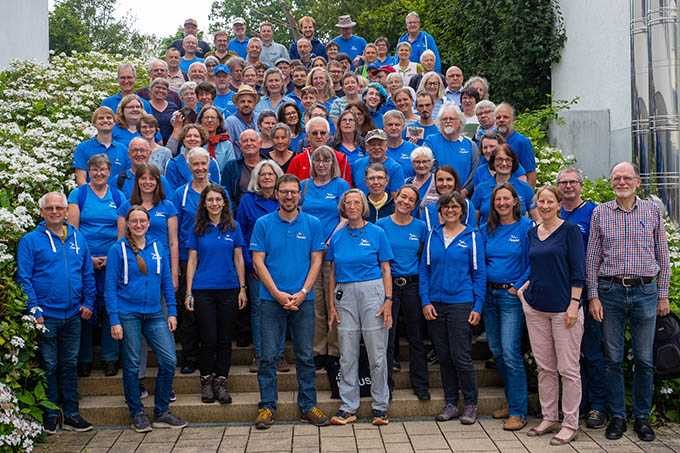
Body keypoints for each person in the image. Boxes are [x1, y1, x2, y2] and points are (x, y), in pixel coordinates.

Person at [586, 162, 671, 442]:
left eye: (627, 178)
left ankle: (642, 417)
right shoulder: (601, 212)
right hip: (610, 292)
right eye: (616, 178)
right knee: (613, 359)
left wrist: (662, 294)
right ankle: (618, 417)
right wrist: (594, 296)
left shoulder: (651, 211)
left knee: (644, 360)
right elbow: (592, 258)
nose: (621, 182)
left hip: (645, 292)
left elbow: (663, 255)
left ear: (637, 182)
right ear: (611, 182)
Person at [250, 174, 330, 429]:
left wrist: (304, 292)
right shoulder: (263, 223)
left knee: (306, 356)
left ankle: (308, 405)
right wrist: (276, 293)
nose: (288, 196)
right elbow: (258, 261)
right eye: (283, 191)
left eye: (293, 192)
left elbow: (317, 260)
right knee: (268, 357)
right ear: (276, 194)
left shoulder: (313, 223)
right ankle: (267, 407)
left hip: (303, 300)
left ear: (300, 195)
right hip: (270, 300)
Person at [17, 192, 96, 434]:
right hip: (46, 316)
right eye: (49, 208)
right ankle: (51, 413)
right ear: (41, 212)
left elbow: (87, 273)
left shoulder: (78, 238)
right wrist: (34, 308)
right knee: (49, 364)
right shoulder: (30, 241)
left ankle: (71, 414)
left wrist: (89, 301)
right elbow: (24, 277)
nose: (54, 212)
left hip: (73, 314)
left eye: (59, 208)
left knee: (70, 364)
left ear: (66, 211)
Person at [106, 205, 187, 432]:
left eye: (143, 221)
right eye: (134, 221)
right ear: (128, 224)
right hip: (127, 313)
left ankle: (161, 412)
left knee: (169, 360)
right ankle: (137, 412)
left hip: (154, 313)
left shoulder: (157, 247)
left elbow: (166, 283)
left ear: (149, 223)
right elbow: (110, 287)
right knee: (132, 365)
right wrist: (114, 319)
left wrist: (171, 311)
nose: (139, 225)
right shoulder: (118, 249)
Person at [517, 185, 586, 445]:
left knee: (568, 369)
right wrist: (524, 291)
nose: (544, 206)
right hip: (536, 308)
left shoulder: (570, 231)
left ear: (559, 204)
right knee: (545, 368)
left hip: (564, 310)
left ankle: (570, 423)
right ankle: (549, 417)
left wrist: (574, 303)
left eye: (549, 202)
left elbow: (578, 270)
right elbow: (531, 266)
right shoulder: (533, 232)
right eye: (540, 202)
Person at [327, 188, 394, 426]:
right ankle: (348, 407)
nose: (352, 206)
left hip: (373, 291)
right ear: (343, 207)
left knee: (377, 354)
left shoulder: (377, 232)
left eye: (357, 202)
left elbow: (386, 269)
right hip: (345, 294)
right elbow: (332, 271)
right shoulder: (337, 236)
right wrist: (332, 305)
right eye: (348, 203)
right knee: (347, 354)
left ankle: (380, 407)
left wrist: (388, 300)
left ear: (363, 206)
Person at [420, 190, 485, 424]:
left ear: (462, 211)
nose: (450, 210)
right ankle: (451, 403)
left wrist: (478, 305)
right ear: (440, 210)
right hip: (436, 304)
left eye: (455, 207)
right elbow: (424, 270)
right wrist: (425, 300)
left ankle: (470, 404)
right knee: (444, 355)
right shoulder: (432, 235)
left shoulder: (472, 236)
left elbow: (479, 274)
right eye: (446, 206)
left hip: (461, 302)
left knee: (461, 355)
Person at [116, 162, 179, 398]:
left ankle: (167, 382)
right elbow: (121, 243)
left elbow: (173, 243)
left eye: (152, 178)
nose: (148, 182)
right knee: (136, 333)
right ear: (137, 181)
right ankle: (140, 380)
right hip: (133, 278)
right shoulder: (126, 206)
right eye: (143, 178)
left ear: (158, 181)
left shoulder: (168, 207)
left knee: (165, 326)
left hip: (160, 276)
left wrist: (173, 274)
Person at [184, 184, 247, 404]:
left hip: (229, 289)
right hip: (203, 290)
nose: (214, 204)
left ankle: (221, 381)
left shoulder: (234, 227)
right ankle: (206, 380)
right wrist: (188, 292)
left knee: (224, 339)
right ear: (204, 203)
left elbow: (239, 259)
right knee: (208, 338)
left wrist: (242, 288)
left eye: (218, 200)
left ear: (224, 202)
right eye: (210, 200)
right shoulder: (197, 228)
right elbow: (192, 261)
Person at [555, 167, 606, 429]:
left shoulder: (594, 212)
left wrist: (592, 294)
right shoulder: (553, 211)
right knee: (568, 357)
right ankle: (577, 405)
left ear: (582, 185)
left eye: (572, 182)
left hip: (586, 292)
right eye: (563, 182)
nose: (568, 186)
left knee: (591, 351)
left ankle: (597, 406)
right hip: (558, 293)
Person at [67, 154, 126, 378]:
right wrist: (88, 259)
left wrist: (113, 258)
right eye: (94, 170)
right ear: (88, 172)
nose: (99, 173)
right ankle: (84, 359)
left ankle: (110, 358)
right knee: (86, 309)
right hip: (84, 261)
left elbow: (122, 233)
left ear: (109, 172)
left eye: (103, 170)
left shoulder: (118, 196)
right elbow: (73, 231)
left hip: (112, 261)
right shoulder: (78, 194)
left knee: (111, 307)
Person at [171, 148, 229, 375]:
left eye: (203, 164)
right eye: (195, 164)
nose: (200, 168)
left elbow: (228, 224)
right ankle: (190, 357)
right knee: (190, 312)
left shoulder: (219, 192)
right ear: (189, 166)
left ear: (209, 165)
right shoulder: (180, 194)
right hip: (188, 259)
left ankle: (212, 357)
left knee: (214, 315)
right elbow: (174, 232)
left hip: (215, 260)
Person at [480, 184, 533, 431]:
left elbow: (534, 262)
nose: (501, 202)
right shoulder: (486, 229)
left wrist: (517, 287)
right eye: (497, 199)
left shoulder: (526, 227)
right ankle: (512, 403)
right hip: (490, 295)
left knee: (511, 353)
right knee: (497, 351)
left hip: (512, 297)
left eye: (506, 198)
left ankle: (519, 412)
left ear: (514, 201)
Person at [298, 147, 351, 369]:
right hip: (309, 252)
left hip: (332, 250)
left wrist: (329, 239)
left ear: (333, 163)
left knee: (333, 302)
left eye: (326, 160)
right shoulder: (305, 185)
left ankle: (335, 351)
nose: (321, 164)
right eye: (318, 160)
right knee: (314, 302)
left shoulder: (341, 186)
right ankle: (317, 349)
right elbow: (299, 214)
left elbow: (345, 218)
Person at [376, 184, 430, 399]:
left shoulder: (420, 227)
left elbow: (421, 255)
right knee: (387, 337)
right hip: (388, 286)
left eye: (411, 200)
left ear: (416, 205)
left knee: (416, 338)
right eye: (403, 197)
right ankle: (386, 386)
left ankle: (421, 385)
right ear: (396, 197)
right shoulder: (381, 225)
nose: (405, 202)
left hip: (412, 284)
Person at [236, 161, 285, 372]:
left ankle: (279, 354)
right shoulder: (247, 201)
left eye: (270, 174)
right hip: (256, 266)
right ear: (256, 178)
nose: (266, 177)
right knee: (258, 309)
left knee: (281, 309)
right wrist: (250, 264)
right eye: (262, 174)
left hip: (281, 265)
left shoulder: (284, 199)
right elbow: (241, 234)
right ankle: (261, 354)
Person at [471, 144, 538, 226]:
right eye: (499, 159)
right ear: (493, 161)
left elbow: (538, 219)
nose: (504, 163)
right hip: (487, 237)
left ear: (513, 162)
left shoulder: (525, 188)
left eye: (508, 160)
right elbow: (473, 223)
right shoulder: (481, 189)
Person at [423, 103, 479, 193]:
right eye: (444, 119)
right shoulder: (431, 141)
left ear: (460, 122)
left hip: (463, 197)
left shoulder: (471, 145)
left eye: (452, 118)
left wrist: (465, 192)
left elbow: (475, 172)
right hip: (437, 195)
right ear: (440, 122)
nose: (448, 121)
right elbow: (426, 167)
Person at [73, 106, 130, 186]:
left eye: (109, 118)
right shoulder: (82, 148)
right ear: (94, 123)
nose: (105, 120)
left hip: (117, 197)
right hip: (91, 196)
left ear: (114, 122)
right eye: (101, 118)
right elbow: (81, 180)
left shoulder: (123, 149)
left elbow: (128, 179)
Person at [287, 117, 352, 185]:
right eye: (315, 133)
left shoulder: (341, 159)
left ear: (328, 136)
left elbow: (347, 189)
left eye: (323, 133)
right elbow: (289, 186)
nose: (319, 136)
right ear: (307, 137)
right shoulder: (297, 161)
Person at [165, 124, 221, 191]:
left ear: (202, 139)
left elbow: (216, 189)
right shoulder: (173, 164)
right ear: (183, 139)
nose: (192, 139)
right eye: (188, 136)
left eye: (196, 136)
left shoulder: (211, 162)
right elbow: (171, 192)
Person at [352, 129, 404, 198]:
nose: (376, 148)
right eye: (373, 145)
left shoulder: (395, 168)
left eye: (380, 144)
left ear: (386, 146)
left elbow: (396, 198)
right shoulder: (357, 164)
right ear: (366, 147)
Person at [496, 103, 536, 188]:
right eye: (498, 117)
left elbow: (531, 174)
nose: (501, 120)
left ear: (513, 120)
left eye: (505, 117)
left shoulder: (523, 142)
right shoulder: (491, 142)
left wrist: (528, 197)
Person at [198, 105, 236, 175]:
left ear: (218, 122)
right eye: (206, 118)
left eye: (213, 117)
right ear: (201, 122)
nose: (209, 120)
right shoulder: (194, 142)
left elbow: (231, 169)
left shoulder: (227, 144)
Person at [225, 85, 260, 158]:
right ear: (237, 105)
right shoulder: (230, 122)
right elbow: (227, 148)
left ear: (255, 105)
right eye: (242, 102)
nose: (246, 104)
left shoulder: (259, 118)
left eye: (249, 101)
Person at [384, 110, 417, 177]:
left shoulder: (415, 149)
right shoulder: (377, 150)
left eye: (397, 125)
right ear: (384, 127)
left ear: (403, 127)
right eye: (390, 125)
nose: (393, 128)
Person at [405, 146, 435, 216]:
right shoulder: (406, 182)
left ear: (431, 163)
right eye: (417, 162)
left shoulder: (437, 182)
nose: (421, 165)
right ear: (412, 164)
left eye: (425, 161)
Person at [148, 78, 179, 145]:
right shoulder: (146, 106)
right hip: (151, 144)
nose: (161, 90)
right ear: (151, 89)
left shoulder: (173, 106)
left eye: (164, 88)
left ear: (167, 92)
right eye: (158, 87)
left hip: (172, 144)